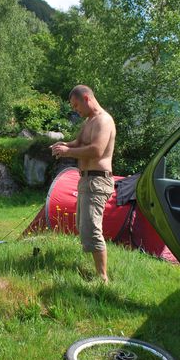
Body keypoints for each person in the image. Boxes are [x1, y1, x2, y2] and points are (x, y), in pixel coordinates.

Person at [50, 85, 116, 282]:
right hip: (86, 179)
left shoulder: (103, 120)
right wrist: (63, 146)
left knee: (91, 229)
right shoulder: (89, 121)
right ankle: (97, 271)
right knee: (83, 226)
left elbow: (96, 150)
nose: (75, 110)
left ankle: (102, 278)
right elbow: (78, 143)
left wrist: (68, 152)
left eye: (77, 105)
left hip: (98, 180)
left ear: (87, 98)